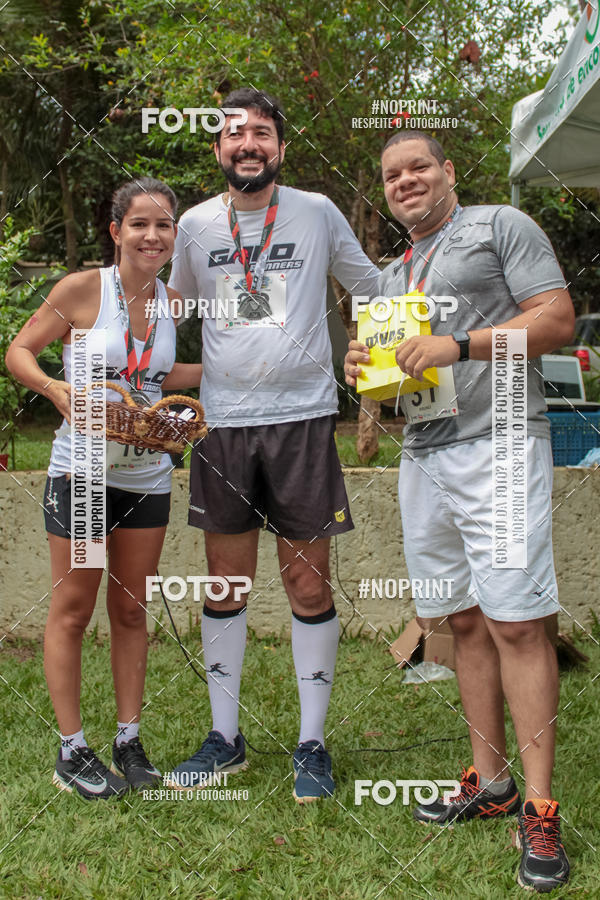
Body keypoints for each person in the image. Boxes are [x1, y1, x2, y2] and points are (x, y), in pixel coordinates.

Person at [344, 132, 574, 892]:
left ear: (448, 172)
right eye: (391, 175)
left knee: (514, 621)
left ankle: (539, 809)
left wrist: (460, 345)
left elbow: (556, 322)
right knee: (462, 621)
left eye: (419, 167)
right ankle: (491, 781)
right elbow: (393, 382)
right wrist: (364, 373)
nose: (406, 180)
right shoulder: (387, 277)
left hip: (501, 441)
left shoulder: (501, 226)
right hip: (426, 455)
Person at [167, 87, 380, 802]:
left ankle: (312, 744)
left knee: (305, 583)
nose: (248, 143)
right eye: (235, 134)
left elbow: (373, 289)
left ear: (280, 148)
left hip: (304, 419)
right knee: (227, 584)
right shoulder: (195, 226)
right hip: (223, 425)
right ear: (218, 149)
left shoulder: (317, 212)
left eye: (261, 132)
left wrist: (372, 369)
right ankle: (225, 739)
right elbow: (174, 316)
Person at [6, 177, 202, 800]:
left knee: (130, 609)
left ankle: (128, 739)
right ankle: (72, 751)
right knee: (73, 608)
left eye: (164, 225)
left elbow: (163, 371)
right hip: (85, 477)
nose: (152, 235)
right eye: (139, 224)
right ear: (116, 231)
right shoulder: (82, 289)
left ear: (174, 236)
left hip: (146, 477)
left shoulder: (171, 301)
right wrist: (54, 389)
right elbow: (20, 350)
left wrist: (248, 360)